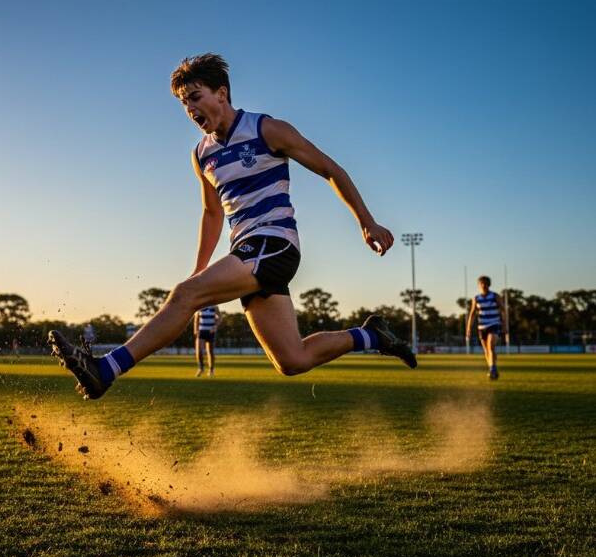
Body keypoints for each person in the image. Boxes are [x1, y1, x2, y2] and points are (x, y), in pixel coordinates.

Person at [50, 53, 416, 400]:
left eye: (196, 97)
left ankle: (106, 370)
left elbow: (330, 170)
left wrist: (366, 222)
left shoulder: (267, 129)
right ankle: (372, 336)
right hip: (247, 251)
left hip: (274, 242)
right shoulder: (202, 154)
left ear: (221, 93)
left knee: (183, 295)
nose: (190, 109)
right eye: (184, 103)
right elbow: (212, 214)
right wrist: (199, 271)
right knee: (291, 360)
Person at [466, 276, 506, 380]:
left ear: (489, 284)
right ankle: (493, 368)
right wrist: (469, 328)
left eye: (485, 283)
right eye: (481, 283)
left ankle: (492, 369)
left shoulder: (495, 296)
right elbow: (472, 313)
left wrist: (504, 325)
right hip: (482, 327)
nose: (484, 285)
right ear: (479, 285)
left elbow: (503, 310)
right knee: (486, 350)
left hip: (494, 324)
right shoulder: (476, 298)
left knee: (490, 346)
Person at [194, 305, 220, 377]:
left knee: (210, 351)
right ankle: (201, 368)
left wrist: (215, 326)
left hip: (211, 331)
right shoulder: (200, 306)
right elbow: (196, 319)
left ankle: (211, 370)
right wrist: (196, 330)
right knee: (199, 351)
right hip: (201, 331)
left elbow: (219, 318)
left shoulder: (214, 307)